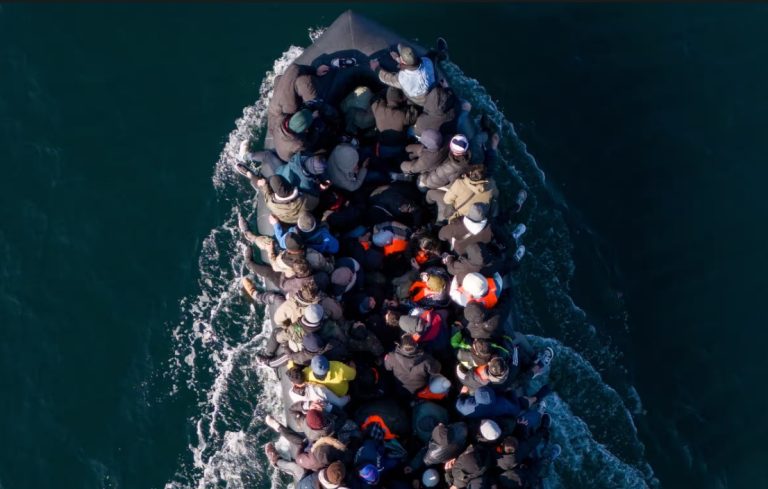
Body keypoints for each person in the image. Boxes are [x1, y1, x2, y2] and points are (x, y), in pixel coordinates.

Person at [369, 43, 436, 106]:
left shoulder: (403, 78)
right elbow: (414, 66)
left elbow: (387, 78)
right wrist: (399, 59)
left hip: (419, 101)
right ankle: (442, 54)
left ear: (403, 61)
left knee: (393, 87)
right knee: (432, 54)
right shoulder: (427, 61)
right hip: (433, 92)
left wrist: (376, 68)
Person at [371, 87, 420, 157]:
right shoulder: (403, 114)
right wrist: (410, 103)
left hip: (382, 147)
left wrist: (386, 93)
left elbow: (374, 100)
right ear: (401, 99)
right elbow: (414, 116)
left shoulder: (378, 109)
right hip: (399, 146)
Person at [273, 211, 340, 254]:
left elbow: (281, 242)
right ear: (315, 223)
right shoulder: (324, 235)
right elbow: (335, 248)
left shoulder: (292, 235)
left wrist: (276, 224)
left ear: (298, 224)